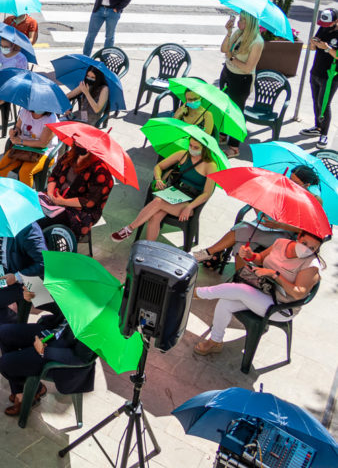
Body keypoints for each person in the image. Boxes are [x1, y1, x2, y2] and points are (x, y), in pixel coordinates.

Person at [193, 232, 324, 355]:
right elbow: (261, 259)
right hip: (262, 290)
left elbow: (298, 294)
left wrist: (275, 275)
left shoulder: (311, 265)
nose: (306, 249)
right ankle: (215, 341)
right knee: (225, 302)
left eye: (312, 248)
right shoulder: (282, 243)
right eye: (304, 243)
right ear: (299, 236)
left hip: (281, 306)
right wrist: (250, 255)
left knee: (239, 290)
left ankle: (196, 293)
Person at [192, 165, 320, 269]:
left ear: (306, 185)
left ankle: (208, 252)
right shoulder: (286, 188)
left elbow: (308, 232)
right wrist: (259, 209)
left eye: (295, 182)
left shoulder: (314, 201)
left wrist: (279, 225)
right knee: (241, 246)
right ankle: (240, 277)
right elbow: (265, 205)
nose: (290, 183)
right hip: (269, 225)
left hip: (285, 235)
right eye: (290, 178)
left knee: (242, 229)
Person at [111, 138, 219, 242]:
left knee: (158, 202)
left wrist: (190, 207)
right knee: (155, 216)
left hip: (190, 201)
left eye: (196, 147)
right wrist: (158, 179)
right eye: (190, 145)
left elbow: (207, 193)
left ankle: (129, 229)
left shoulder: (210, 166)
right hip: (174, 192)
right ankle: (149, 247)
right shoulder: (183, 154)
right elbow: (159, 166)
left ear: (204, 148)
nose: (192, 149)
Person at [0, 314, 96, 417]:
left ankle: (29, 392)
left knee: (4, 365)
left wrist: (44, 351)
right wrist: (34, 298)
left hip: (59, 353)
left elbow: (81, 358)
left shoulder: (97, 324)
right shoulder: (84, 301)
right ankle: (23, 391)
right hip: (53, 331)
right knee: (2, 333)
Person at [37, 143, 115, 241]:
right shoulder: (69, 156)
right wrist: (50, 194)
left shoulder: (101, 172)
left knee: (47, 221)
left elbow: (89, 202)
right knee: (33, 208)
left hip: (81, 210)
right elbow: (54, 176)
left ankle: (43, 246)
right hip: (58, 196)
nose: (79, 144)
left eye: (83, 143)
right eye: (77, 140)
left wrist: (61, 202)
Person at [219, 12, 263, 157]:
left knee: (237, 113)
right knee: (225, 107)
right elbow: (224, 49)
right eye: (239, 19)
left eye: (243, 20)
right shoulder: (238, 33)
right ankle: (223, 134)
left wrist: (231, 58)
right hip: (228, 73)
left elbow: (248, 67)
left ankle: (234, 147)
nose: (239, 22)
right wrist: (228, 32)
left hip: (241, 80)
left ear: (250, 23)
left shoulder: (257, 42)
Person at [301, 8, 338, 148]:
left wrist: (327, 48)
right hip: (316, 71)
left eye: (328, 23)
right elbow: (312, 49)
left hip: (330, 76)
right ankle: (318, 127)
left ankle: (324, 134)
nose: (324, 26)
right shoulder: (323, 28)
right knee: (316, 101)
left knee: (324, 104)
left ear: (336, 21)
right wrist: (313, 43)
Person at [0, 108, 59, 186]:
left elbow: (42, 144)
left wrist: (20, 141)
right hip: (22, 148)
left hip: (43, 151)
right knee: (1, 168)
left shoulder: (51, 119)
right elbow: (17, 127)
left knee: (25, 172)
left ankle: (26, 197)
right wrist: (14, 132)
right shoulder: (24, 111)